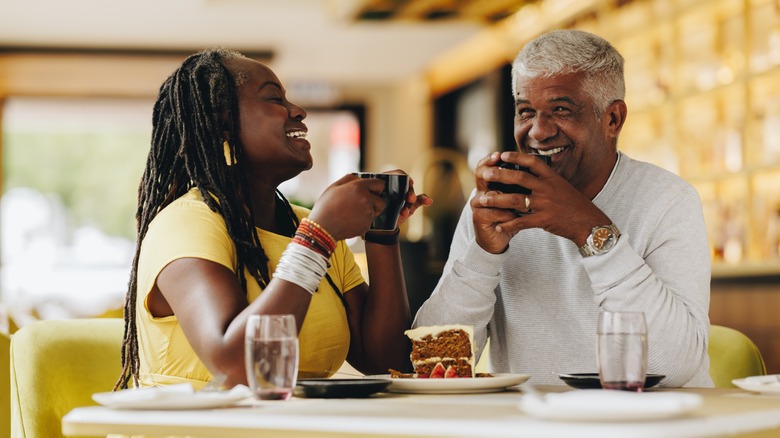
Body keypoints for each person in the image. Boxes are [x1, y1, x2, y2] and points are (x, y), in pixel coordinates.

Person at [115, 48, 431, 390]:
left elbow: (384, 361)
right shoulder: (188, 222)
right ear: (223, 124)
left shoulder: (308, 227)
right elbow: (237, 369)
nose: (298, 111)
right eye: (274, 99)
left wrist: (381, 232)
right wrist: (317, 238)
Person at [413, 29, 713, 387]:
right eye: (526, 111)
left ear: (613, 120)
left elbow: (674, 366)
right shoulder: (496, 205)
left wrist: (588, 229)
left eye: (560, 110)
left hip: (650, 424)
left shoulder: (668, 200)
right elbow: (433, 363)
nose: (538, 132)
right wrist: (483, 255)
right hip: (539, 424)